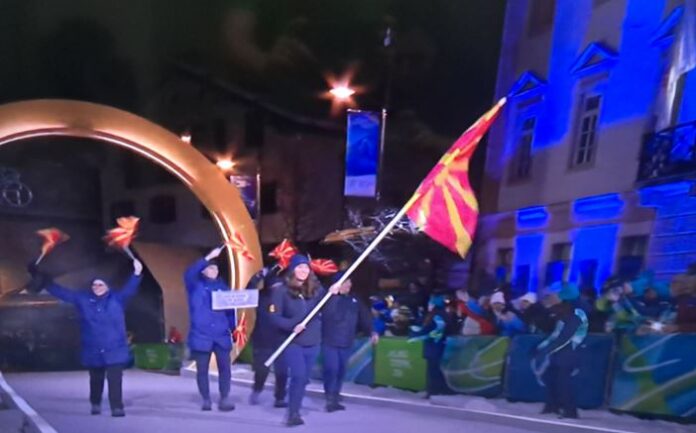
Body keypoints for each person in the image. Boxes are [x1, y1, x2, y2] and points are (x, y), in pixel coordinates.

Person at [37, 257, 143, 417]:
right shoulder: (83, 299)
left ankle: (117, 407)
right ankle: (95, 403)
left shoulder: (117, 299)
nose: (97, 287)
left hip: (114, 347)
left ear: (107, 286)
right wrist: (45, 282)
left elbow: (130, 288)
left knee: (115, 379)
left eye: (101, 285)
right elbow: (64, 293)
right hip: (93, 347)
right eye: (94, 285)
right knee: (96, 379)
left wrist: (137, 272)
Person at [268, 254, 339, 427]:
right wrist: (291, 325)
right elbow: (274, 317)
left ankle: (295, 408)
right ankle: (293, 413)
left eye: (306, 267)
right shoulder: (281, 291)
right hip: (293, 342)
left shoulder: (317, 289)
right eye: (299, 267)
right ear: (293, 269)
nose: (303, 270)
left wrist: (332, 295)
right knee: (298, 376)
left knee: (303, 379)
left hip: (313, 342)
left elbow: (327, 310)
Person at [183, 245, 236, 412]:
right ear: (203, 270)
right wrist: (208, 257)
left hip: (221, 335)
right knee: (202, 370)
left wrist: (234, 329)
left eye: (215, 268)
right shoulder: (195, 285)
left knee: (225, 369)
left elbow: (230, 311)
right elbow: (189, 273)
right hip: (201, 336)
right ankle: (206, 399)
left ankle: (224, 398)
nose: (214, 271)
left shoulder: (224, 288)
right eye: (210, 268)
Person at [321, 271, 378, 412]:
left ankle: (335, 394)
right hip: (330, 341)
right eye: (345, 282)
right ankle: (329, 397)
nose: (349, 284)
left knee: (341, 370)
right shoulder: (328, 299)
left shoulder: (354, 300)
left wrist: (372, 330)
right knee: (331, 369)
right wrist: (333, 295)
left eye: (349, 281)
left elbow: (365, 316)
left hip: (346, 341)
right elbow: (327, 314)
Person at [534, 285, 589, 419]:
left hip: (570, 351)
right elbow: (554, 332)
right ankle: (552, 406)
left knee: (564, 382)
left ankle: (570, 411)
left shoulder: (577, 313)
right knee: (550, 378)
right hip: (558, 351)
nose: (555, 298)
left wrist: (550, 348)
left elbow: (567, 336)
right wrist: (541, 346)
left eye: (558, 296)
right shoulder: (562, 312)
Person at [248, 267, 289, 408]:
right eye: (274, 286)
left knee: (282, 372)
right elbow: (248, 292)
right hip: (263, 340)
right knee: (261, 370)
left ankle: (280, 397)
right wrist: (258, 276)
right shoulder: (261, 297)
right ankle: (257, 390)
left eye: (280, 286)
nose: (277, 289)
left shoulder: (287, 298)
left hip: (281, 341)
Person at [409, 293, 451, 397]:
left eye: (431, 302)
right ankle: (439, 389)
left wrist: (422, 334)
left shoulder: (438, 316)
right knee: (433, 368)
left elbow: (436, 332)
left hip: (435, 345)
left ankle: (434, 390)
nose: (429, 304)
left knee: (433, 369)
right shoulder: (433, 315)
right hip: (432, 346)